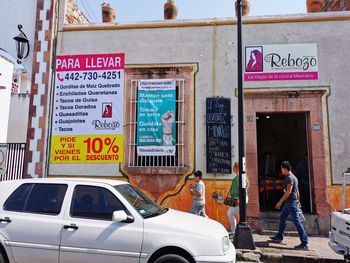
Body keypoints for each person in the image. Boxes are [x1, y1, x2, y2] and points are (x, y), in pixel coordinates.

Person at [270, 161, 310, 250]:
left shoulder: (290, 178)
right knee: (282, 218)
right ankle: (279, 237)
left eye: (281, 169)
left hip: (291, 203)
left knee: (297, 222)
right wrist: (298, 201)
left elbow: (288, 191)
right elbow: (297, 191)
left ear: (285, 168)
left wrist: (280, 202)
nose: (281, 171)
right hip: (290, 203)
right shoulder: (294, 177)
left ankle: (304, 242)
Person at [227, 162, 249, 235]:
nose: (232, 168)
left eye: (234, 167)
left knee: (230, 213)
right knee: (240, 215)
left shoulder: (239, 178)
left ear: (236, 168)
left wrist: (240, 199)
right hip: (239, 199)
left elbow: (242, 189)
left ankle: (234, 231)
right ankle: (240, 231)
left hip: (238, 199)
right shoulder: (239, 177)